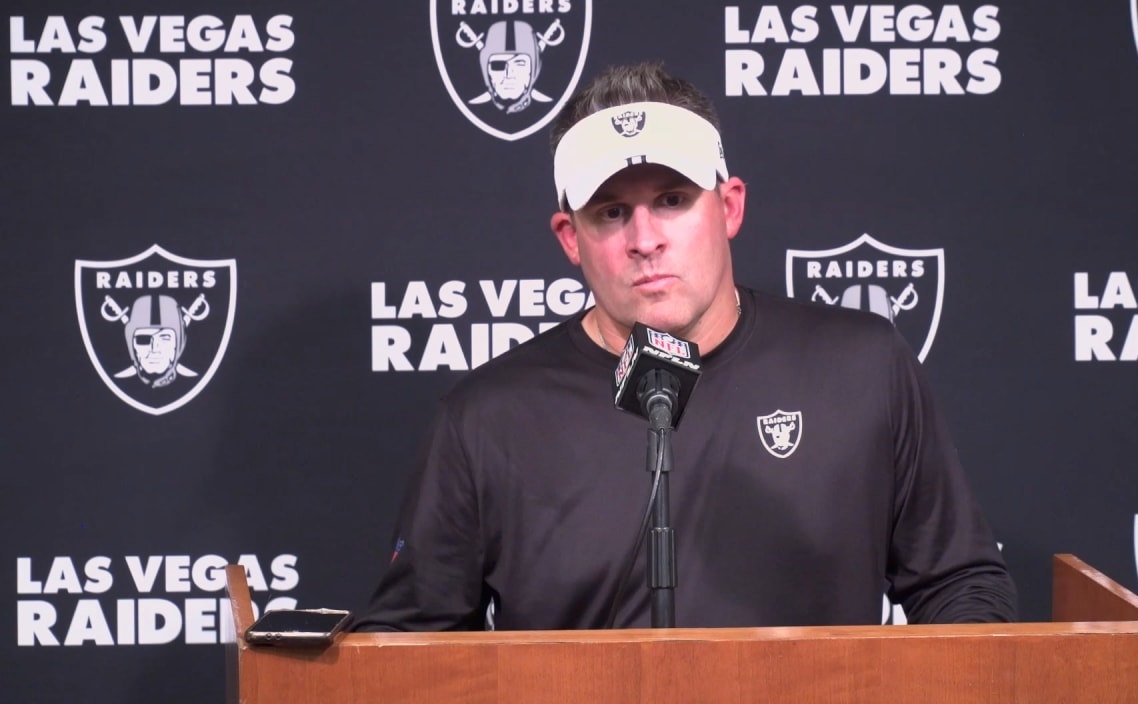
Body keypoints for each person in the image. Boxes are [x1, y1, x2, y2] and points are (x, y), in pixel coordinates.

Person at [354, 62, 1016, 631]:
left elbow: (961, 588)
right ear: (569, 237)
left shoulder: (862, 367)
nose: (645, 238)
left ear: (729, 207)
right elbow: (412, 650)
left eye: (672, 199)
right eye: (611, 212)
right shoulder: (486, 419)